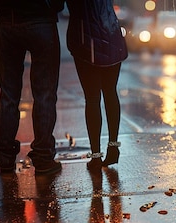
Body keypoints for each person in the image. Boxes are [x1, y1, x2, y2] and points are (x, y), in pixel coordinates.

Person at [0, 0, 65, 175]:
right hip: (41, 21)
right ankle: (44, 158)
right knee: (44, 94)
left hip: (7, 22)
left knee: (8, 94)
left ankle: (5, 157)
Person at [65, 0, 128, 170]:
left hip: (85, 40)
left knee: (92, 98)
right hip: (111, 34)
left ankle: (95, 156)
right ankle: (113, 147)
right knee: (110, 92)